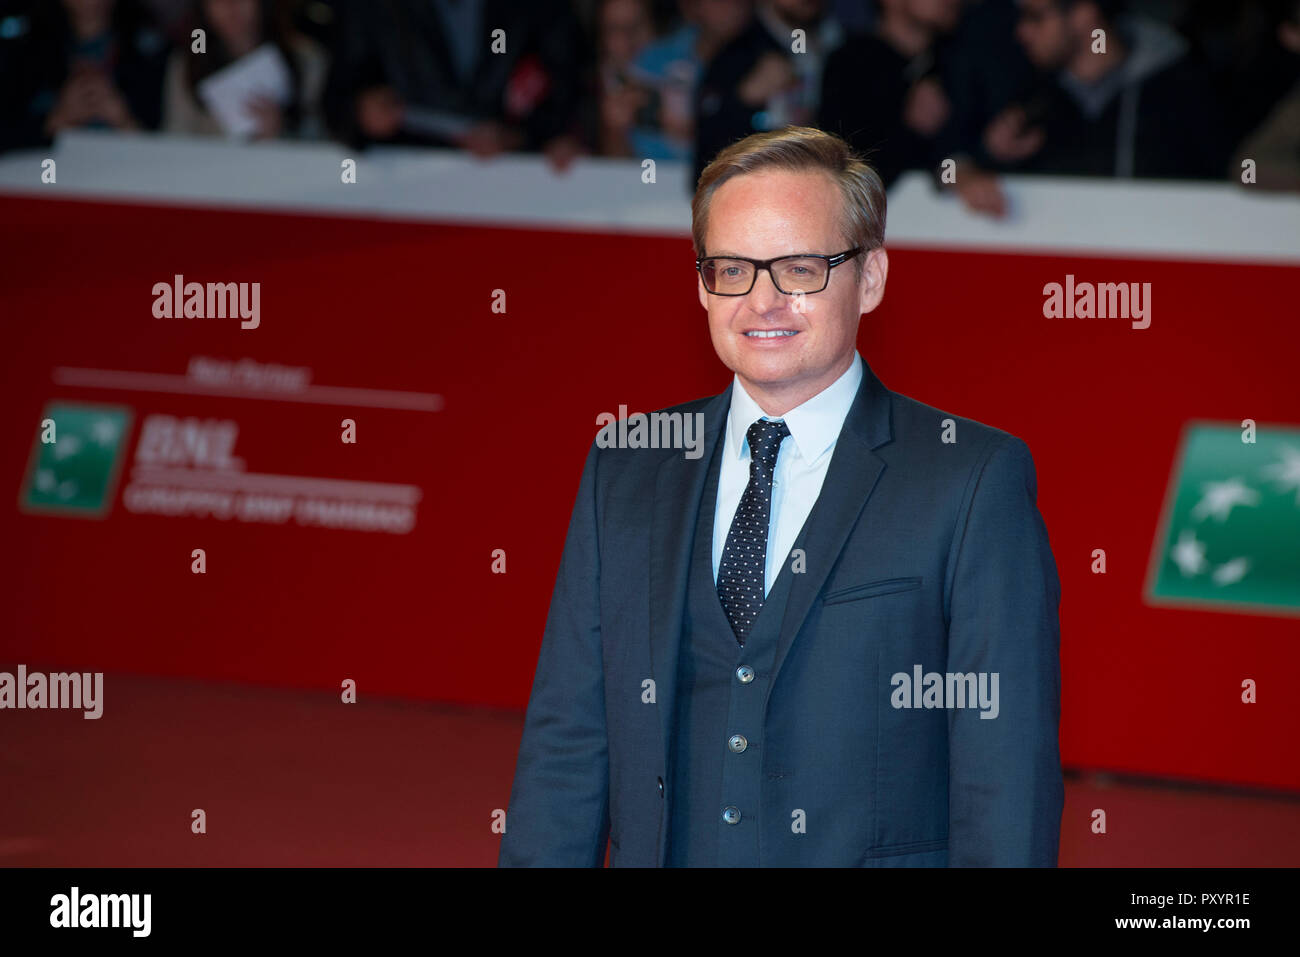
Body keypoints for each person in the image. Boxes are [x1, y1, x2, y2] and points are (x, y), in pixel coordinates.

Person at [499, 126, 1064, 867]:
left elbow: (1006, 780)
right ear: (702, 283)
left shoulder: (971, 479)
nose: (762, 301)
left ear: (870, 278)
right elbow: (568, 739)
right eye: (732, 268)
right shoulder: (627, 465)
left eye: (799, 267)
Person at [0, 0, 169, 153]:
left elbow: (173, 151)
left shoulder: (154, 51)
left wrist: (123, 120)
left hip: (125, 178)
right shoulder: (21, 51)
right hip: (42, 179)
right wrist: (54, 121)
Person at [162, 0, 328, 139]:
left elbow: (320, 136)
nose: (231, 6)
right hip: (209, 170)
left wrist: (282, 130)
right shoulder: (187, 63)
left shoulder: (305, 59)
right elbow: (176, 135)